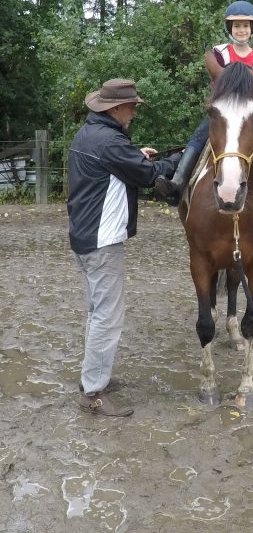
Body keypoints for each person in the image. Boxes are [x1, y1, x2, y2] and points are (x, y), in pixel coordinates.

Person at [67, 78, 180, 417]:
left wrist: (135, 155)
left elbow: (121, 164)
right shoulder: (111, 142)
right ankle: (93, 394)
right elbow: (149, 176)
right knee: (107, 317)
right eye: (132, 106)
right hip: (102, 243)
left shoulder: (91, 134)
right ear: (115, 109)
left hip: (84, 237)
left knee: (96, 311)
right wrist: (180, 159)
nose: (134, 111)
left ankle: (93, 377)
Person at [155, 0, 253, 228]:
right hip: (224, 111)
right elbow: (215, 76)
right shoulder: (220, 53)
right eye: (236, 26)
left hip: (249, 115)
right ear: (229, 29)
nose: (241, 30)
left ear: (252, 29)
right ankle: (178, 183)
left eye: (246, 26)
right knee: (197, 139)